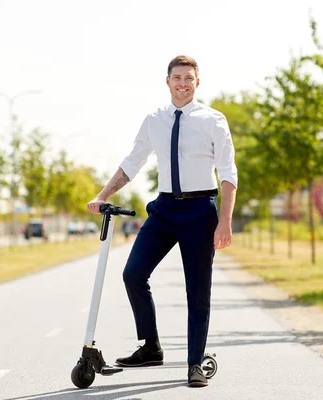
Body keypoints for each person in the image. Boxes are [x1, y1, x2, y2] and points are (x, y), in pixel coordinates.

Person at [87, 55, 237, 387]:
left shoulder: (213, 120)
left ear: (198, 82)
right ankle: (151, 346)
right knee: (133, 274)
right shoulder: (154, 120)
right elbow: (132, 162)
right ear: (167, 81)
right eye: (176, 77)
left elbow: (228, 173)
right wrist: (102, 195)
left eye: (188, 78)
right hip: (165, 209)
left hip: (201, 210)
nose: (182, 83)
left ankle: (195, 363)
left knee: (197, 290)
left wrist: (224, 221)